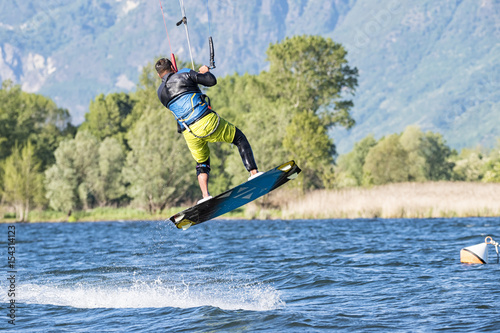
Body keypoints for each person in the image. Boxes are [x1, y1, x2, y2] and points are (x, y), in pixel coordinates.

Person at [155, 58, 263, 203]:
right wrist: (204, 72)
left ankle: (205, 196)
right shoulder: (184, 73)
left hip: (189, 132)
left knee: (202, 163)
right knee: (239, 138)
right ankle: (254, 173)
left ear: (159, 75)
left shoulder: (160, 93)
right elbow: (211, 81)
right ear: (173, 67)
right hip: (205, 121)